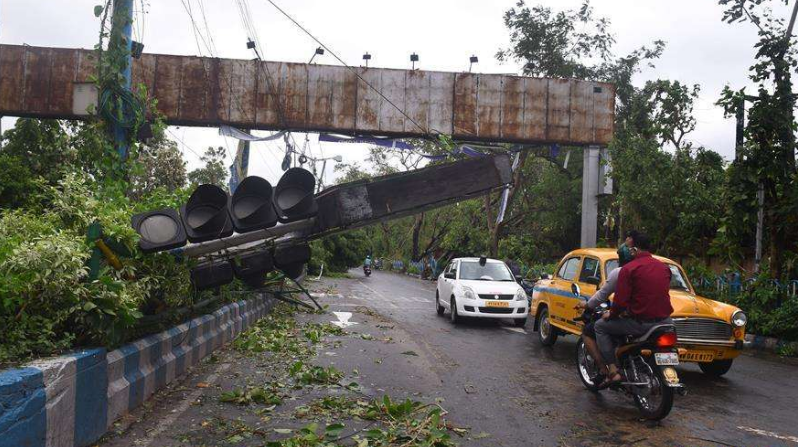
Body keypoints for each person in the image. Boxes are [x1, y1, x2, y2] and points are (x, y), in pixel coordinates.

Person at [594, 231, 674, 387]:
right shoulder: (665, 268)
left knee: (600, 326)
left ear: (635, 250)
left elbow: (620, 302)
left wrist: (611, 314)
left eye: (630, 247)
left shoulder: (629, 269)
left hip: (641, 323)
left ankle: (612, 370)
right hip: (666, 322)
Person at [574, 240, 635, 376]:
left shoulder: (620, 272)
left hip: (633, 319)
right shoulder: (648, 270)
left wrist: (587, 305)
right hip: (657, 319)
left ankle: (609, 370)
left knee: (595, 328)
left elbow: (601, 295)